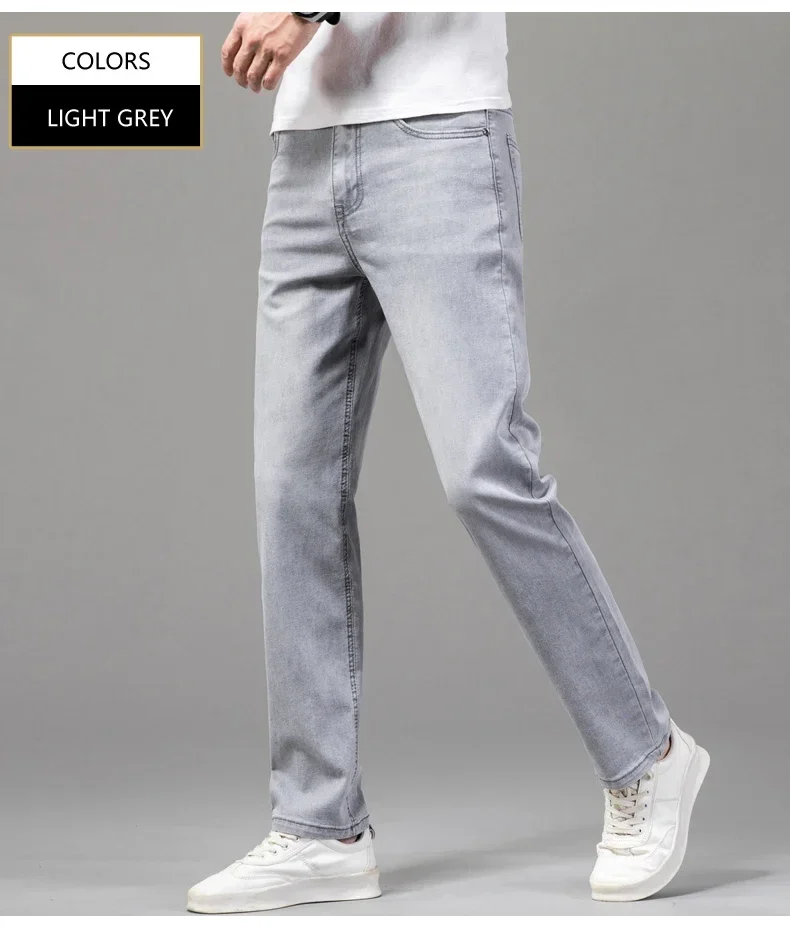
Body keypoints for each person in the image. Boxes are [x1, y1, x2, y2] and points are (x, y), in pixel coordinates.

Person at [188, 12, 709, 913]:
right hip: (304, 148)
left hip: (439, 136)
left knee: (483, 468)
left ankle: (647, 755)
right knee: (290, 491)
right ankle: (320, 826)